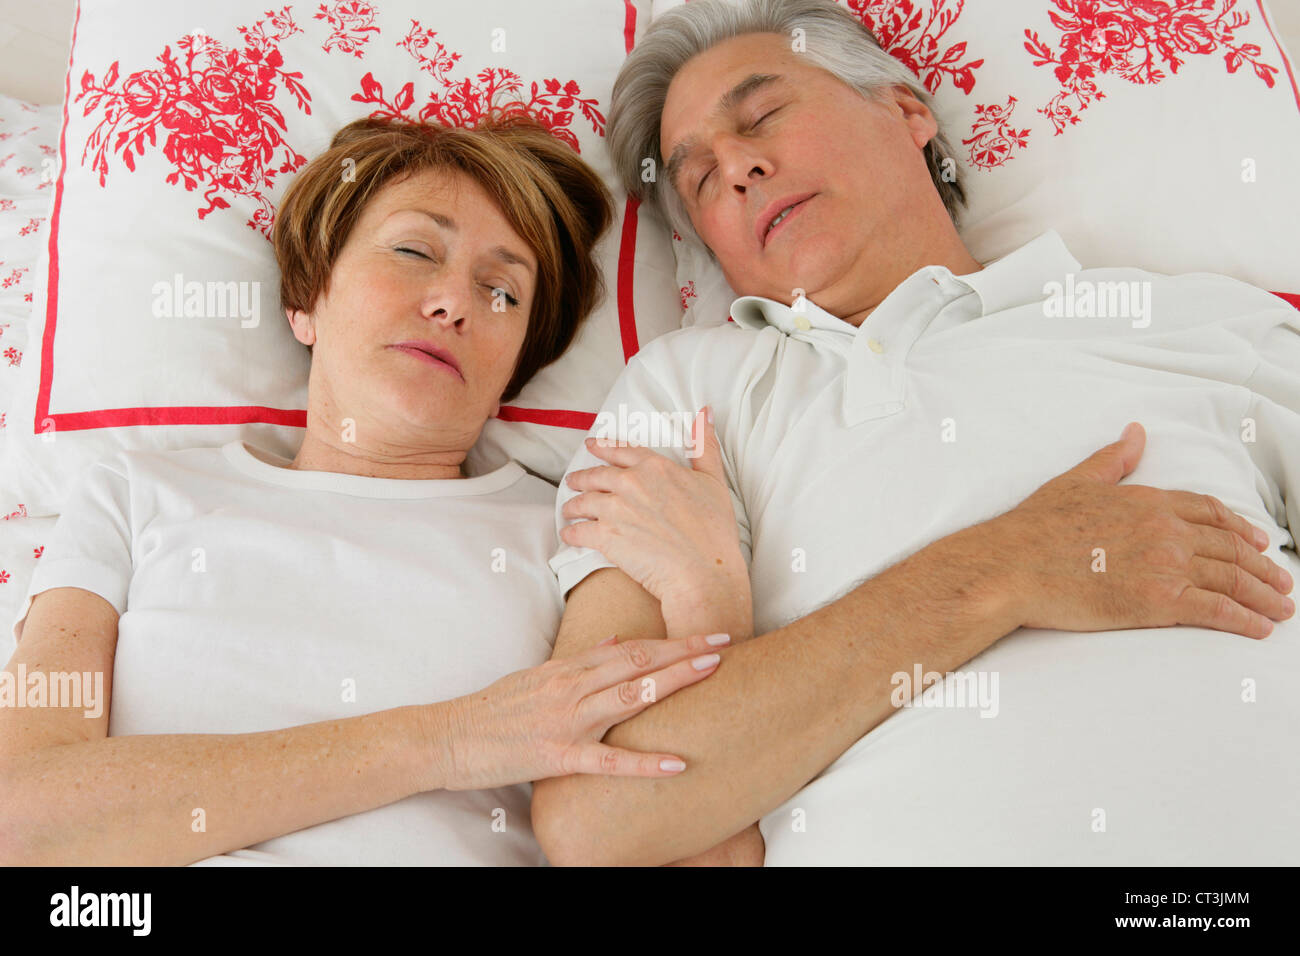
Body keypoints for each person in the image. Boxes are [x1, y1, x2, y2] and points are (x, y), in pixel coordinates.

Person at [530, 0, 1300, 865]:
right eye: (700, 179)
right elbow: (598, 813)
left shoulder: (1201, 325)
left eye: (761, 116)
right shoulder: (687, 392)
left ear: (905, 112)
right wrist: (1004, 569)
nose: (737, 167)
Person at [0, 115, 732, 866]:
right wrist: (449, 740)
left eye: (503, 291)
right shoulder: (132, 493)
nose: (455, 302)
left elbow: (662, 823)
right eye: (415, 250)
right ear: (307, 298)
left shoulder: (580, 530)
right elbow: (23, 820)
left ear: (512, 373)